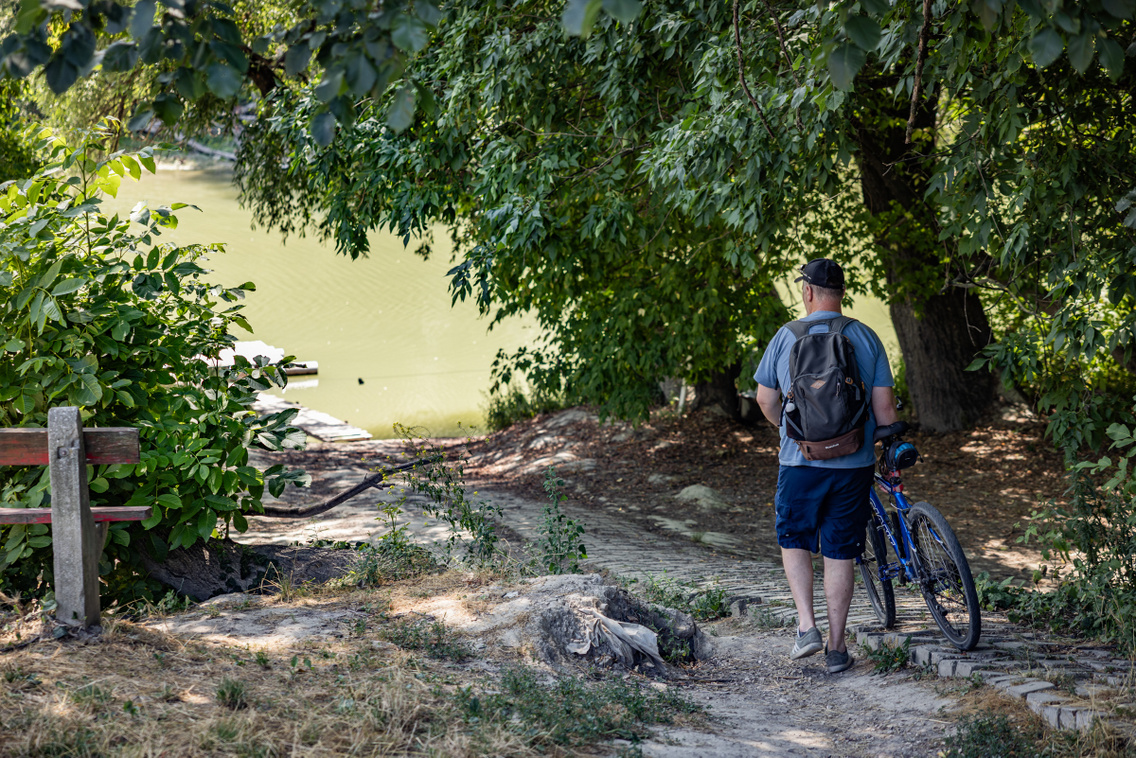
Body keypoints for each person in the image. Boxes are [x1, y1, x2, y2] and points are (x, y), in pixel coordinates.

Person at [754, 258, 899, 673]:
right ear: (841, 294)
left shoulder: (785, 337)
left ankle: (806, 627)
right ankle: (837, 649)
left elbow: (766, 400)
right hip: (854, 464)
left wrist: (793, 433)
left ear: (808, 292)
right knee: (840, 552)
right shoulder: (866, 337)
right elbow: (884, 408)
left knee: (794, 538)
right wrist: (887, 451)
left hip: (799, 462)